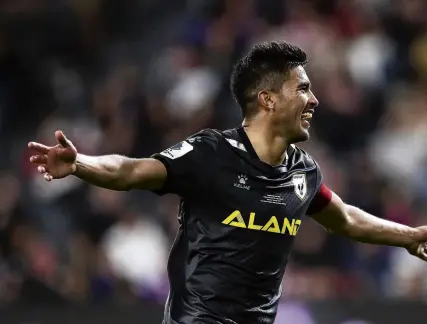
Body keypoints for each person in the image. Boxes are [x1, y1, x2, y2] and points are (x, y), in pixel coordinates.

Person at [28, 41, 427, 324]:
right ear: (268, 99)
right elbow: (132, 170)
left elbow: (348, 220)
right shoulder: (211, 153)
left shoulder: (304, 172)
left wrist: (408, 236)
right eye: (303, 88)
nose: (314, 100)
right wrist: (80, 163)